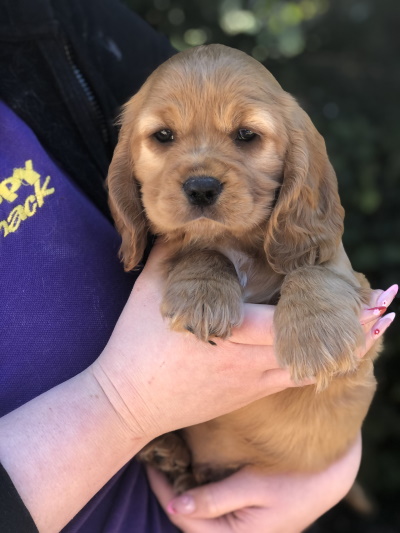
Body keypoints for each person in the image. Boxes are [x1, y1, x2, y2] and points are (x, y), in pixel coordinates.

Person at [0, 1, 396, 532]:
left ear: (296, 157)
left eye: (246, 136)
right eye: (164, 137)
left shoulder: (52, 27)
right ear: (126, 175)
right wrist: (123, 408)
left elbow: (327, 260)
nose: (203, 177)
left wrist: (331, 474)